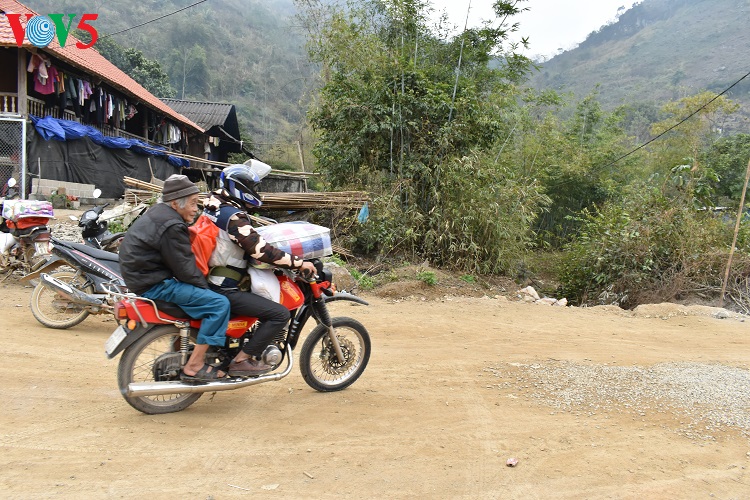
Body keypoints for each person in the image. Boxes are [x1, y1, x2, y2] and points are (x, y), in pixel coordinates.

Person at [202, 164, 316, 376]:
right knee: (279, 314)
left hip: (210, 279)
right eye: (253, 187)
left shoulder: (213, 206)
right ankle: (241, 361)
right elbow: (261, 251)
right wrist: (298, 263)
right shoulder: (233, 217)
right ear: (241, 188)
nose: (255, 191)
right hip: (224, 287)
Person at [119, 174, 231, 382]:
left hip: (139, 277)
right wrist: (206, 288)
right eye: (192, 203)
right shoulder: (172, 225)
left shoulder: (157, 212)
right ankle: (195, 365)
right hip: (154, 284)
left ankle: (181, 348)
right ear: (174, 203)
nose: (196, 209)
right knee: (219, 304)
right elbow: (185, 269)